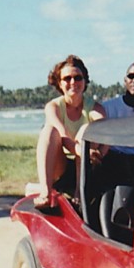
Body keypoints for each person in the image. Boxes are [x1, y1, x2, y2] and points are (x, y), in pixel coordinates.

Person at [30, 55, 105, 207]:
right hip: (62, 166)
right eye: (67, 78)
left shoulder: (95, 108)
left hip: (87, 167)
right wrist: (82, 151)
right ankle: (45, 192)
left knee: (87, 130)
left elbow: (105, 130)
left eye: (78, 78)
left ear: (84, 81)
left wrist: (99, 153)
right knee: (49, 131)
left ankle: (79, 192)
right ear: (59, 83)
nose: (73, 83)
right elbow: (63, 136)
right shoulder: (54, 107)